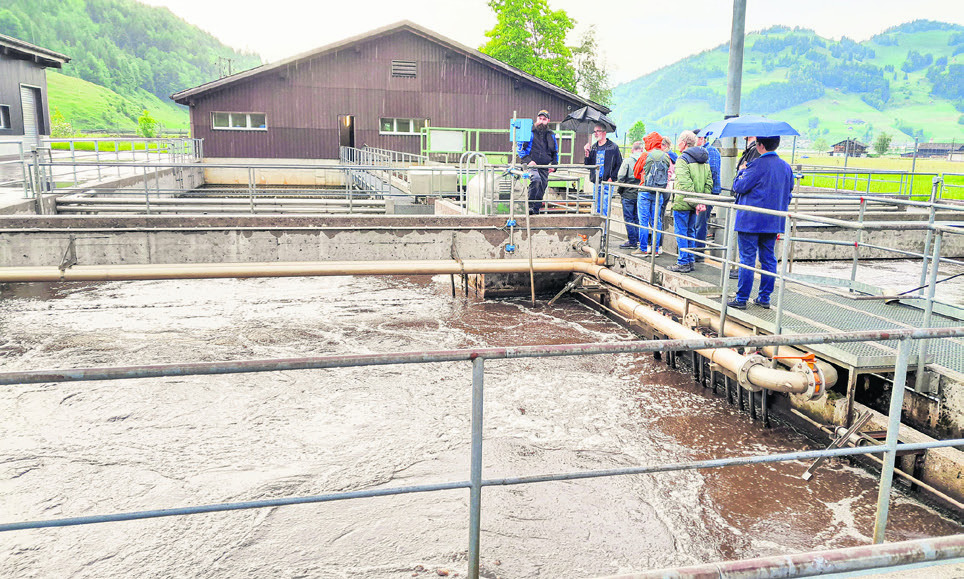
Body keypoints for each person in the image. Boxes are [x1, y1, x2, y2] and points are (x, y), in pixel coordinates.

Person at [727, 135, 794, 310]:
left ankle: (742, 298)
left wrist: (741, 171)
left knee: (747, 259)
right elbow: (789, 192)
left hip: (750, 221)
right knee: (769, 258)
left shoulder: (756, 165)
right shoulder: (786, 168)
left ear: (760, 145)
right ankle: (764, 297)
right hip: (773, 221)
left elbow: (739, 187)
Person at [670, 130, 713, 273]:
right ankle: (690, 260)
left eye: (678, 142)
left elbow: (684, 183)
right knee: (691, 231)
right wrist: (701, 201)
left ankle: (683, 262)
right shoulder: (705, 159)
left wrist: (696, 201)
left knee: (681, 232)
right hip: (696, 203)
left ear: (683, 143)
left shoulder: (682, 159)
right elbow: (709, 183)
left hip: (683, 202)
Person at [632, 132, 670, 256]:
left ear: (650, 142)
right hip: (659, 192)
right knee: (656, 221)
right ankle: (655, 249)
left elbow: (636, 173)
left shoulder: (645, 155)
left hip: (644, 191)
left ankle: (643, 248)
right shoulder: (665, 156)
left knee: (643, 221)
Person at [517, 109, 558, 215]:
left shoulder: (551, 134)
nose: (541, 121)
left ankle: (536, 210)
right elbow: (520, 149)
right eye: (540, 118)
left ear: (548, 121)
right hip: (530, 164)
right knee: (536, 180)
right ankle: (529, 206)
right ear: (536, 119)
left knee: (542, 186)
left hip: (544, 165)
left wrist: (554, 165)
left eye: (544, 119)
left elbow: (555, 152)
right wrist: (528, 161)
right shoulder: (529, 131)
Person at [693, 129, 722, 262]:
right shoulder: (699, 151)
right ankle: (695, 250)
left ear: (702, 139)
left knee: (700, 223)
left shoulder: (711, 152)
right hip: (700, 192)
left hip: (708, 193)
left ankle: (698, 253)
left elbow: (714, 172)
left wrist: (707, 192)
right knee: (697, 222)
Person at [584, 123, 622, 216]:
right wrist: (587, 153)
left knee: (605, 207)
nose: (596, 133)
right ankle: (598, 228)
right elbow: (588, 165)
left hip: (607, 182)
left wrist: (612, 178)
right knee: (596, 206)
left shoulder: (613, 147)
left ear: (604, 132)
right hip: (596, 181)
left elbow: (619, 164)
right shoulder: (593, 147)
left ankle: (604, 229)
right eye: (594, 131)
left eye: (598, 131)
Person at [616, 141, 644, 249]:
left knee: (629, 218)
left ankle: (632, 241)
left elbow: (621, 176)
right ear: (642, 150)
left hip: (628, 193)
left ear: (632, 150)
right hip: (640, 193)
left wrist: (621, 188)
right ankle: (637, 240)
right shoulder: (645, 161)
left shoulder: (627, 161)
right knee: (637, 218)